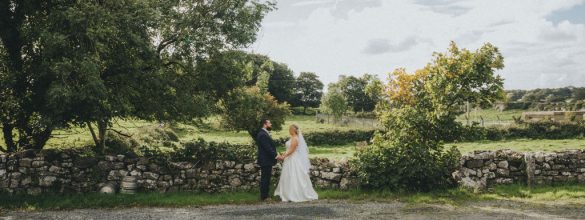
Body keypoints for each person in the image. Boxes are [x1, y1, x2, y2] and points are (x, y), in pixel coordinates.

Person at [274, 124, 318, 202]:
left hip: (293, 159)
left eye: (289, 129)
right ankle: (288, 193)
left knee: (294, 175)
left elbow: (292, 150)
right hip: (290, 158)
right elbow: (289, 149)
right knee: (289, 175)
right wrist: (283, 154)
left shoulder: (295, 138)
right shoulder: (293, 138)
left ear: (292, 130)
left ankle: (294, 194)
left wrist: (283, 157)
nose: (289, 131)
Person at [256, 118, 278, 201]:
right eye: (269, 123)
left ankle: (265, 195)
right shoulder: (262, 134)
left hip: (266, 160)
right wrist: (276, 156)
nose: (271, 124)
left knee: (266, 178)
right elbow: (267, 148)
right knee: (265, 178)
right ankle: (264, 196)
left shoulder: (264, 133)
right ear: (265, 124)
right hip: (265, 160)